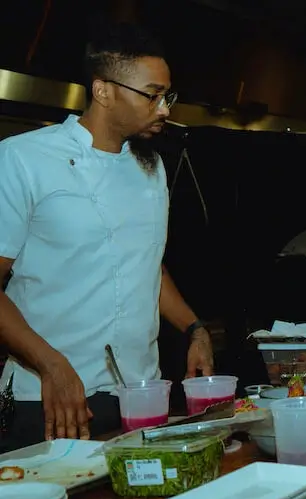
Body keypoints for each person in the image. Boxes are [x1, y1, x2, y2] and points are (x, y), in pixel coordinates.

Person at [0, 23, 214, 452]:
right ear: (103, 91)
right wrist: (51, 365)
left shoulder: (150, 169)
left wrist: (194, 328)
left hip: (140, 396)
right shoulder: (23, 159)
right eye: (152, 95)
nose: (164, 109)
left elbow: (145, 265)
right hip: (50, 400)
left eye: (167, 96)